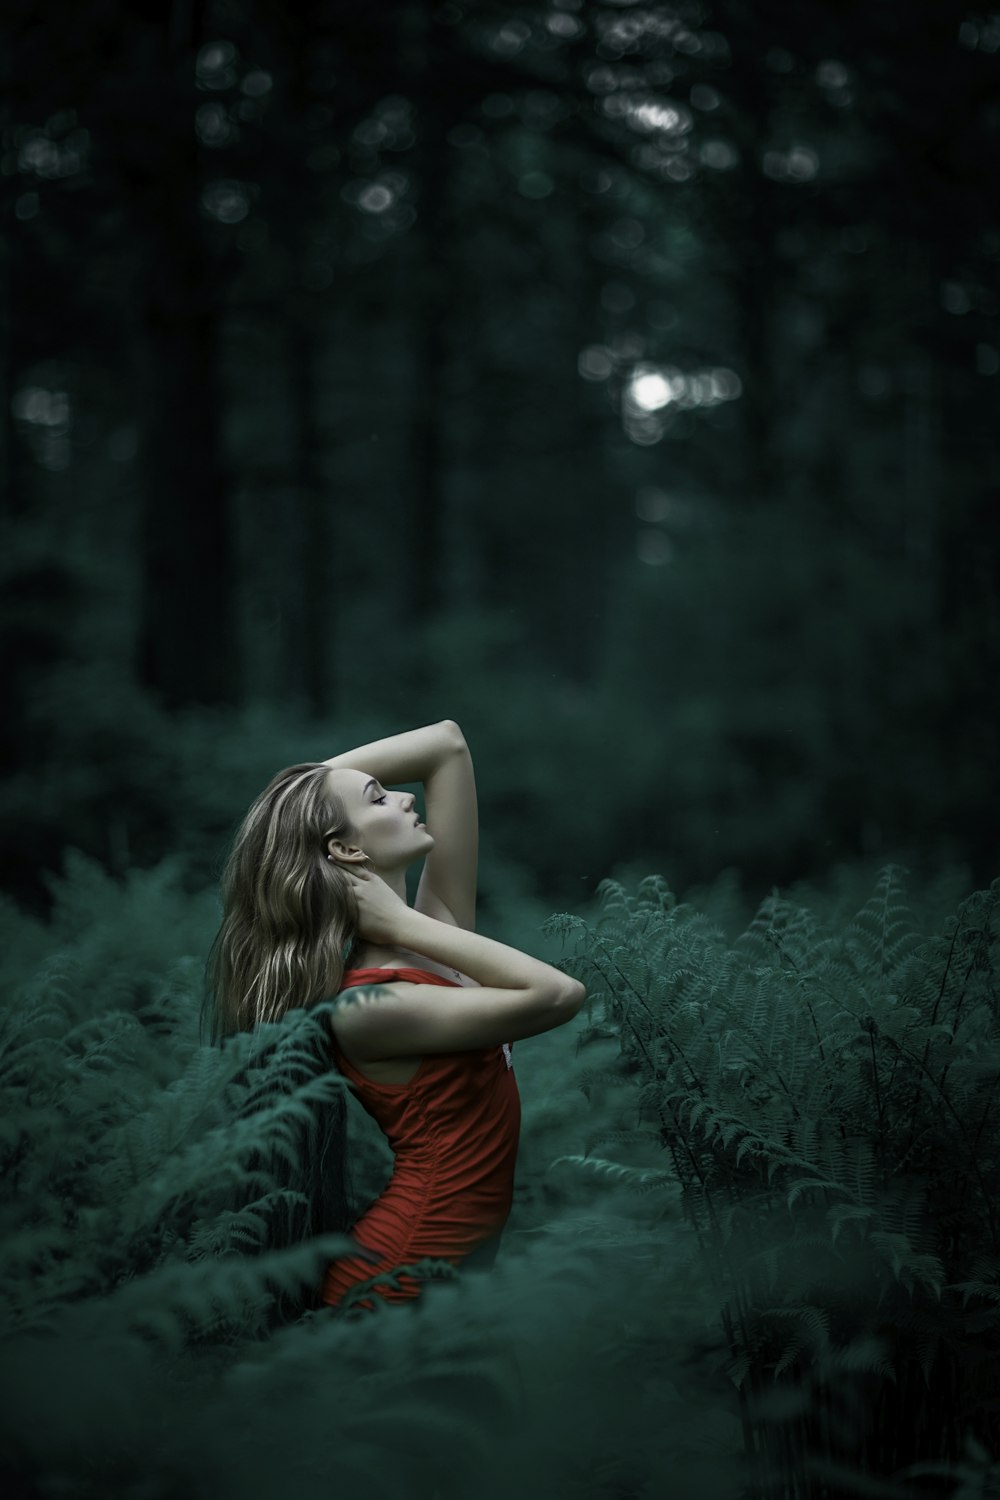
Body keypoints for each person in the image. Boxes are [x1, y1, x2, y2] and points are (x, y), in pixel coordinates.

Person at [206, 719, 586, 1313]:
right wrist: (401, 921)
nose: (405, 795)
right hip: (400, 1278)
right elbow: (560, 995)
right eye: (379, 798)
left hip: (450, 1272)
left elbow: (446, 744)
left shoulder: (431, 937)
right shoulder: (370, 1002)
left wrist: (297, 803)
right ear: (348, 849)